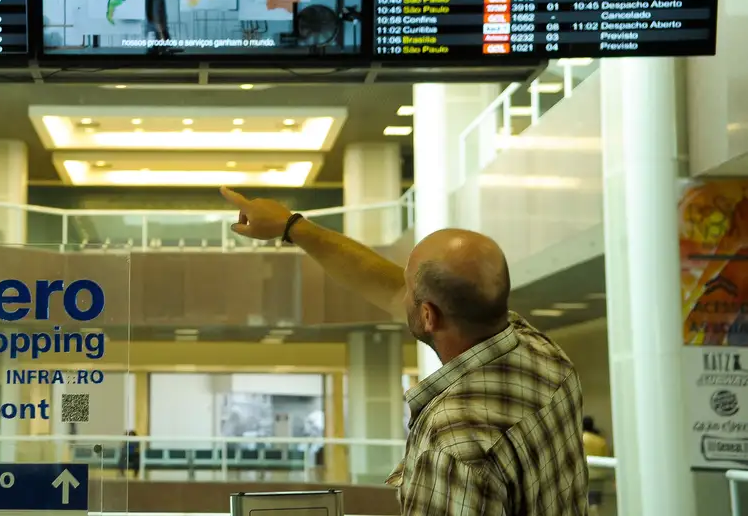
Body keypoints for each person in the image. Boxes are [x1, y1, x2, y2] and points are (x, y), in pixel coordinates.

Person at [220, 187, 588, 515]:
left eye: (409, 287)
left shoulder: (453, 444)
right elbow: (385, 283)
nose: (401, 292)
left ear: (428, 314)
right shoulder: (545, 355)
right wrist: (292, 226)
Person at [582, 417, 609, 514]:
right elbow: (606, 456)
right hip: (599, 474)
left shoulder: (582, 438)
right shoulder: (601, 440)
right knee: (594, 502)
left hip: (585, 474)